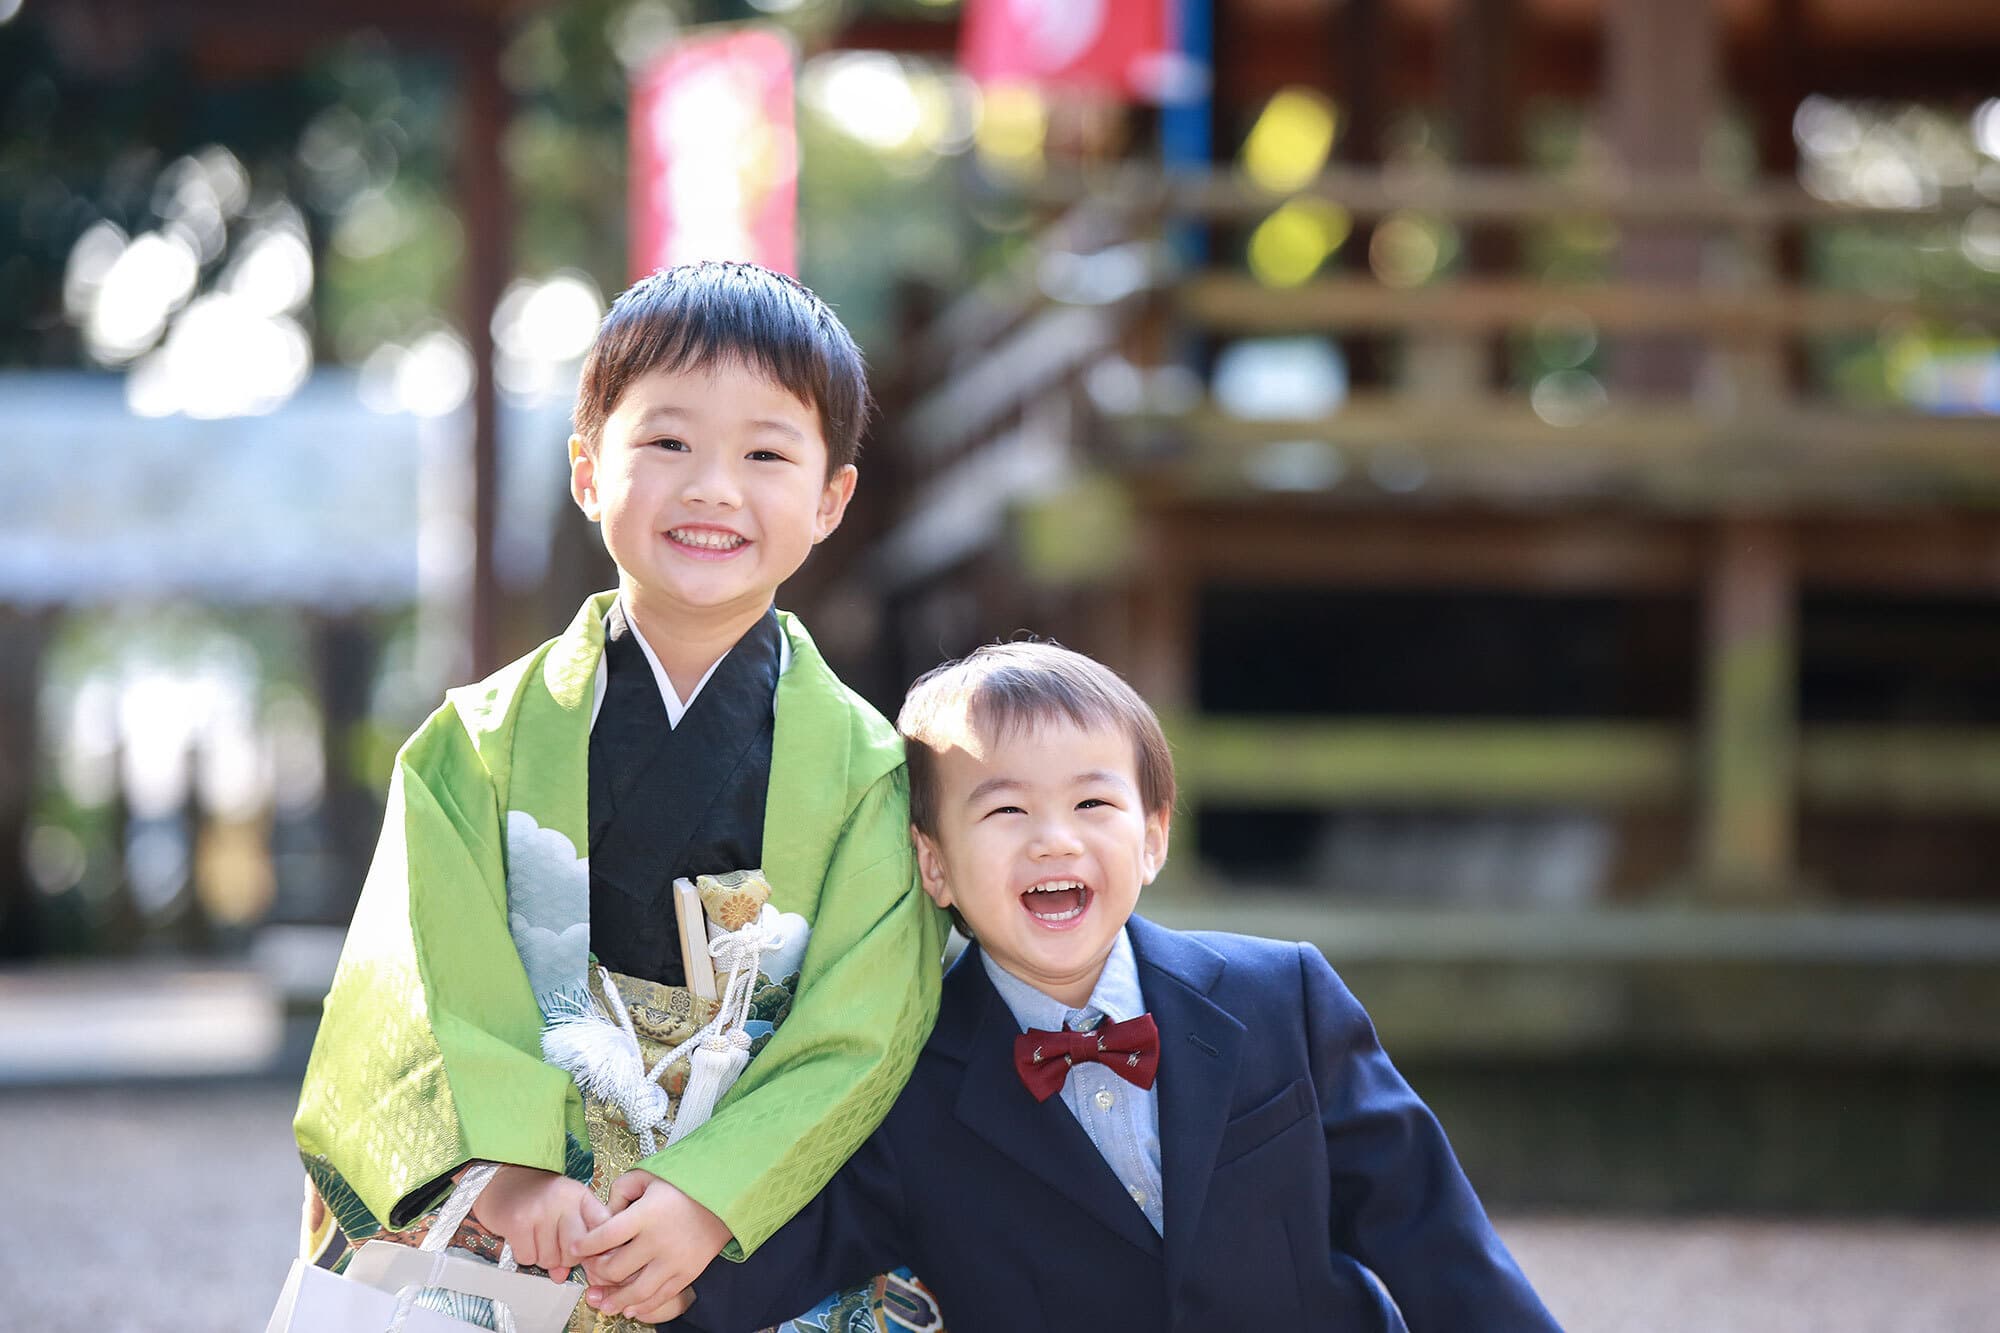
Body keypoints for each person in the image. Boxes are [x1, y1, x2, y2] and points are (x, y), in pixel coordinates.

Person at [293, 261, 947, 1330]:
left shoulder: (869, 770)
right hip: (518, 1215)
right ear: (588, 471)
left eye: (765, 453)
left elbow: (860, 1029)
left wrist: (705, 1197)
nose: (711, 488)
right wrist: (509, 1174)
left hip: (748, 1218)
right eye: (667, 443)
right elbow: (418, 983)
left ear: (831, 499)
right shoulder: (476, 744)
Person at [649, 641, 1563, 1332]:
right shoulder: (906, 1078)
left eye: (1093, 804)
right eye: (1005, 810)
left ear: (1154, 836)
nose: (1055, 839)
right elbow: (776, 1255)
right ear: (934, 864)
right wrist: (627, 1251)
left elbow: (1433, 1233)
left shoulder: (1281, 996)